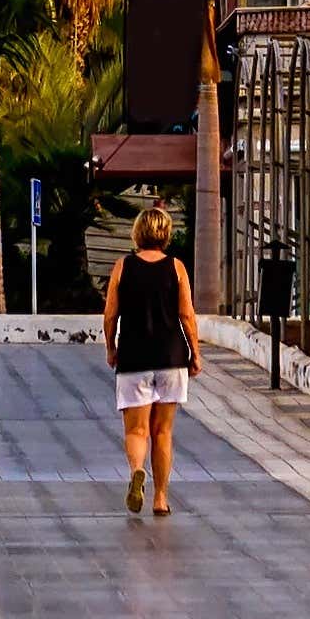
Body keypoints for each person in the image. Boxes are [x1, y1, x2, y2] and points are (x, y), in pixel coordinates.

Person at [106, 209, 197, 518]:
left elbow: (110, 315)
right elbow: (186, 315)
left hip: (134, 358)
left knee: (137, 431)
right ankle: (160, 498)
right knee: (163, 432)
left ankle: (136, 471)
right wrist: (195, 353)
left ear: (137, 232)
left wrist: (111, 347)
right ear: (166, 234)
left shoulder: (123, 267)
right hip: (171, 358)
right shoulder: (177, 268)